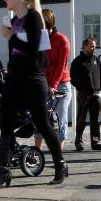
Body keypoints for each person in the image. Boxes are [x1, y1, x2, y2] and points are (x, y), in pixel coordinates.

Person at [0, 0, 67, 189]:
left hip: (33, 78)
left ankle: (60, 165)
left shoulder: (34, 18)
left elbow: (35, 51)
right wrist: (11, 35)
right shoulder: (14, 20)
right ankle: (3, 172)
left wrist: (12, 37)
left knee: (42, 123)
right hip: (15, 77)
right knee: (5, 122)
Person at [34, 8, 71, 153]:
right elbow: (40, 64)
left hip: (61, 85)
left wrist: (53, 85)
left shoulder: (62, 40)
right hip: (45, 84)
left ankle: (58, 153)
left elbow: (61, 67)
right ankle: (37, 152)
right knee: (40, 117)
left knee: (60, 118)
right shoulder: (41, 40)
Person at [70, 37, 101, 151]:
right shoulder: (77, 61)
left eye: (94, 46)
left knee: (95, 120)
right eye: (91, 46)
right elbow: (72, 78)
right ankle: (78, 142)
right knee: (81, 119)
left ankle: (95, 142)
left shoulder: (96, 60)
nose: (94, 48)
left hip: (96, 95)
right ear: (84, 46)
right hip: (83, 95)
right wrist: (82, 89)